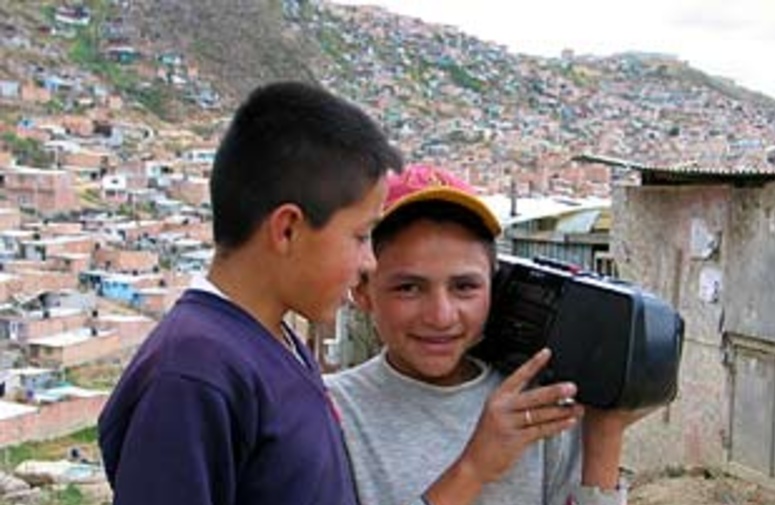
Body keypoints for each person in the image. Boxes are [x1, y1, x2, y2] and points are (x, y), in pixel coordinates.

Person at [98, 81, 403, 505]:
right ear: (288, 229)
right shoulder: (193, 374)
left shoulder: (275, 343)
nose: (369, 262)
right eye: (360, 236)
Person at [326, 165, 649, 505]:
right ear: (362, 290)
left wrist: (604, 434)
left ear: (495, 287)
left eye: (464, 287)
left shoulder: (535, 403)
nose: (441, 316)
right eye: (408, 288)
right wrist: (473, 469)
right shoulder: (331, 412)